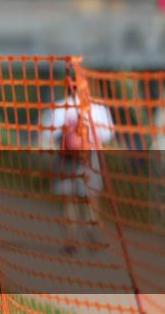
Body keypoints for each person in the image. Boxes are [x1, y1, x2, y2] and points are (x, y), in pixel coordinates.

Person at [40, 91, 115, 255]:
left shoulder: (61, 106)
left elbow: (47, 132)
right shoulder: (97, 108)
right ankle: (92, 238)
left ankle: (71, 240)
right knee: (91, 200)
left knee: (69, 201)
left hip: (66, 159)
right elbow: (108, 134)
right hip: (90, 159)